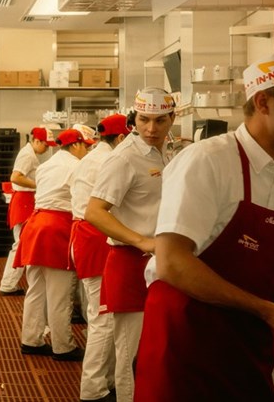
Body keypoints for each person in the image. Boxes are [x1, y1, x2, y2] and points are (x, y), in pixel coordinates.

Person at [134, 49, 274, 401]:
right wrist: (268, 310)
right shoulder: (208, 161)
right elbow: (172, 260)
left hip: (247, 347)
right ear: (264, 102)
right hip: (184, 343)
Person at [84, 87, 176, 402]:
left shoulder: (168, 152)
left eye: (160, 121)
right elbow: (94, 212)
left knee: (159, 352)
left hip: (163, 264)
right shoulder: (124, 158)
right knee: (131, 357)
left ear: (172, 119)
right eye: (144, 120)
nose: (151, 129)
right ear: (133, 119)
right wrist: (142, 241)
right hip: (130, 263)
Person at [15, 128, 93, 360]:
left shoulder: (46, 165)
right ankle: (63, 345)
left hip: (36, 225)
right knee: (59, 292)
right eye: (86, 146)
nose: (87, 150)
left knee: (36, 288)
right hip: (57, 228)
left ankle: (31, 340)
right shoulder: (77, 167)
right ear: (76, 145)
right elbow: (83, 200)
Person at [70, 113, 131, 402]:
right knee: (104, 318)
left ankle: (103, 381)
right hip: (96, 238)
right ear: (121, 137)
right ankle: (93, 389)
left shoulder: (91, 158)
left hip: (85, 236)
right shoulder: (110, 161)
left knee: (100, 315)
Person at [0, 126, 55, 296]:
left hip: (25, 201)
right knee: (20, 244)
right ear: (36, 141)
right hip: (24, 202)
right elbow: (15, 177)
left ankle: (9, 284)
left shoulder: (31, 154)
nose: (47, 149)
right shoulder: (27, 155)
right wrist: (39, 185)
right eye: (45, 145)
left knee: (21, 244)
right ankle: (8, 285)